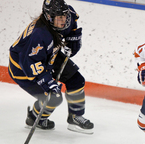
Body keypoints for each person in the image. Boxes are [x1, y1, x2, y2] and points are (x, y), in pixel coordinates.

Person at [8, 0, 94, 134]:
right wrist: (48, 83)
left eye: (64, 16)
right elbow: (31, 63)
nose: (64, 20)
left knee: (76, 80)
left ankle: (75, 117)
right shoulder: (39, 34)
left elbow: (73, 25)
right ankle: (35, 119)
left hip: (49, 55)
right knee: (53, 97)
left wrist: (74, 37)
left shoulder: (67, 14)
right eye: (60, 18)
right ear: (49, 17)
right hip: (23, 67)